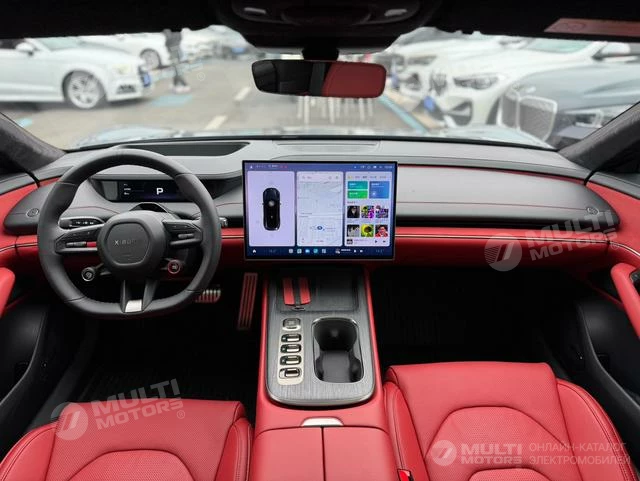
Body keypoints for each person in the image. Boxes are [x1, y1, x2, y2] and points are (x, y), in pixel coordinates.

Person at [163, 29, 190, 94]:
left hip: (173, 51)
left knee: (176, 69)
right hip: (178, 49)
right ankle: (174, 84)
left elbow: (168, 39)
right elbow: (180, 37)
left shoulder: (167, 30)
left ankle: (185, 85)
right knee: (176, 69)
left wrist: (166, 44)